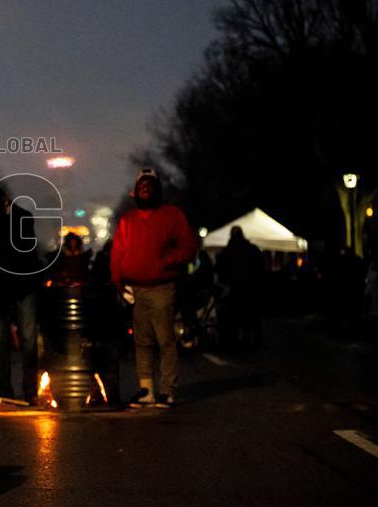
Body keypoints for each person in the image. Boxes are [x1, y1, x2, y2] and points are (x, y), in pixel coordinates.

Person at [111, 168, 197, 409]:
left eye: (149, 186)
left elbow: (188, 246)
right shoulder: (128, 220)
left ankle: (167, 391)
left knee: (165, 340)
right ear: (135, 192)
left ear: (157, 190)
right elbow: (118, 253)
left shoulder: (172, 215)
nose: (145, 190)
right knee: (142, 341)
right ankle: (146, 390)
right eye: (141, 187)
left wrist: (167, 261)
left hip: (162, 287)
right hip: (135, 289)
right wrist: (118, 281)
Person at [0, 186, 40, 403]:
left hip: (22, 285)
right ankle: (3, 390)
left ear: (6, 202)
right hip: (1, 287)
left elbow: (24, 248)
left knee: (29, 340)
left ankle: (31, 391)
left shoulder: (23, 218)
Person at [216, 226, 265, 348]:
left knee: (235, 316)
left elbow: (222, 269)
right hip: (249, 288)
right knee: (252, 316)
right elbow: (260, 267)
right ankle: (252, 340)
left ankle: (236, 340)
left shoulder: (229, 250)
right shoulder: (251, 249)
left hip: (236, 289)